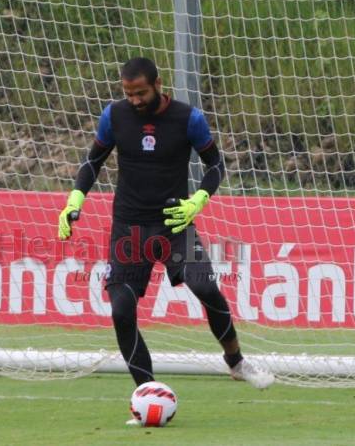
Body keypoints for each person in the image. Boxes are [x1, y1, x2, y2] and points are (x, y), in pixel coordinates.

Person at [58, 58, 274, 419]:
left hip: (175, 225)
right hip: (129, 228)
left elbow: (215, 165)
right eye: (128, 93)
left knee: (205, 287)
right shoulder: (115, 116)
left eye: (141, 92)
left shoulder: (187, 118)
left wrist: (198, 200)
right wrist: (75, 199)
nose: (135, 100)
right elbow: (93, 161)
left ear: (158, 83)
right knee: (121, 310)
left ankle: (236, 362)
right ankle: (147, 394)